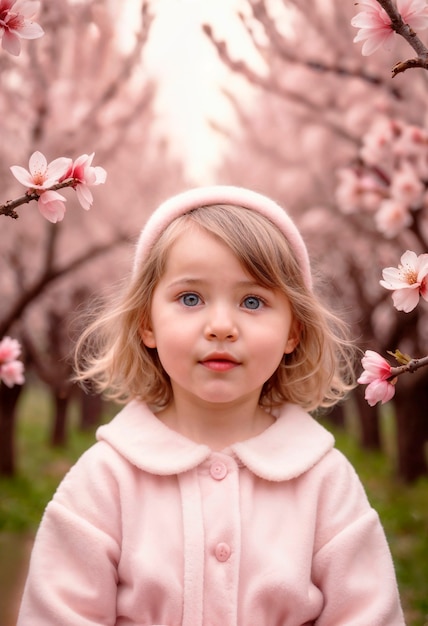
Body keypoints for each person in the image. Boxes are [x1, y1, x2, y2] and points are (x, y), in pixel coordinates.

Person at [17, 186, 405, 625]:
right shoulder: (105, 480)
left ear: (293, 332)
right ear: (147, 323)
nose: (221, 326)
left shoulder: (324, 482)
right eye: (190, 299)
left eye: (253, 301)